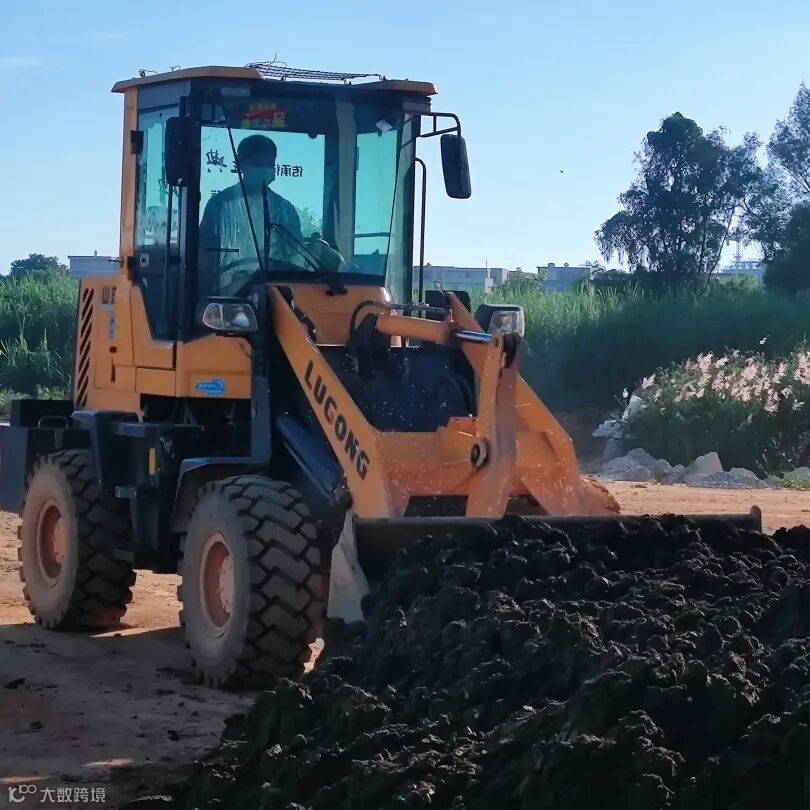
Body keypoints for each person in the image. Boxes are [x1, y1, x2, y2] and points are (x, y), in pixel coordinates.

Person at [198, 134, 303, 296]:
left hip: (276, 294)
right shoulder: (220, 206)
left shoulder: (285, 210)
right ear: (241, 165)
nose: (265, 170)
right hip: (228, 297)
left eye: (269, 164)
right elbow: (204, 260)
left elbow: (296, 259)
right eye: (258, 164)